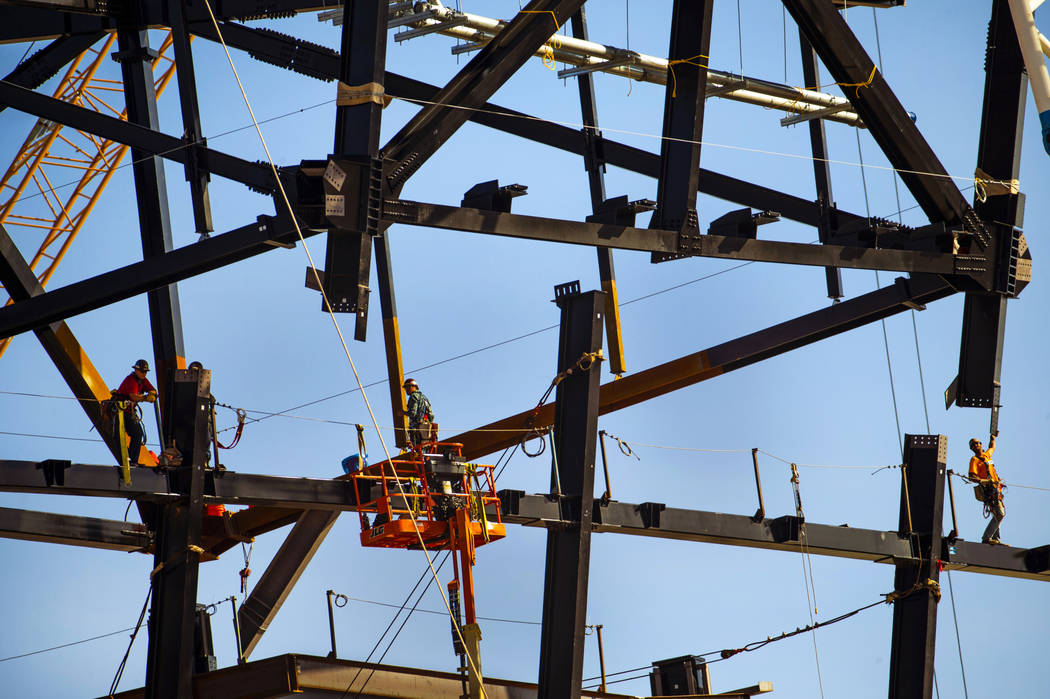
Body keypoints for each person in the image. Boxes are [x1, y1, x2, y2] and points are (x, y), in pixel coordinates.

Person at [113, 359, 157, 465]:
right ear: (136, 370)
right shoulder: (131, 380)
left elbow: (153, 390)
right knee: (120, 437)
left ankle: (133, 461)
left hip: (128, 412)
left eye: (145, 372)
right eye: (142, 371)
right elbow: (134, 397)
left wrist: (152, 393)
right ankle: (126, 460)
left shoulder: (142, 380)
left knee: (138, 434)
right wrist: (146, 397)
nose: (144, 373)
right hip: (120, 412)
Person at [968, 432, 1004, 544]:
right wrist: (986, 481)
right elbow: (972, 477)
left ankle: (995, 539)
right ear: (971, 448)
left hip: (996, 489)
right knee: (999, 514)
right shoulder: (974, 460)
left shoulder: (987, 456)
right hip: (988, 490)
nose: (976, 445)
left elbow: (992, 447)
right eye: (973, 444)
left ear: (981, 444)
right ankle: (986, 538)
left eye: (978, 443)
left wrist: (993, 437)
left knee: (996, 514)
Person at [402, 378, 435, 448]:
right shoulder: (424, 397)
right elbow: (431, 415)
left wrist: (402, 413)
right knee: (425, 448)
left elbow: (412, 413)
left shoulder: (413, 397)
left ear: (413, 387)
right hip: (427, 427)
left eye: (407, 387)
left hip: (417, 428)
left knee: (416, 449)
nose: (406, 390)